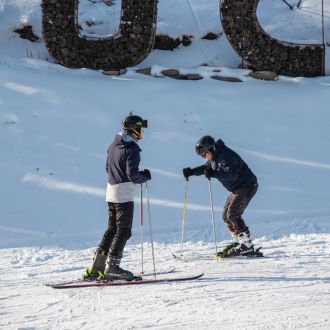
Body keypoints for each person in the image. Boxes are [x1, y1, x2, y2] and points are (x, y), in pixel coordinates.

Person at [86, 114, 151, 280]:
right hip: (123, 194)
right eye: (140, 129)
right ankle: (113, 267)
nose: (142, 132)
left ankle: (97, 267)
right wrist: (144, 176)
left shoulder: (114, 144)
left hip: (111, 190)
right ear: (133, 130)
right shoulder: (132, 149)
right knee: (123, 231)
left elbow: (108, 167)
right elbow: (132, 175)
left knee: (112, 229)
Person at [183, 135, 259, 257]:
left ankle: (247, 246)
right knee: (226, 216)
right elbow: (206, 168)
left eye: (204, 154)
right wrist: (191, 172)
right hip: (238, 188)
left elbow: (231, 175)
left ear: (211, 149)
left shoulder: (225, 156)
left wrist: (213, 173)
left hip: (247, 186)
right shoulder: (215, 157)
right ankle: (239, 242)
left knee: (233, 214)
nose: (204, 157)